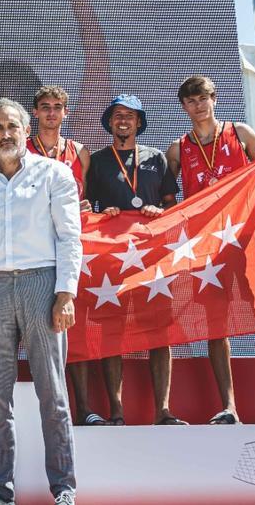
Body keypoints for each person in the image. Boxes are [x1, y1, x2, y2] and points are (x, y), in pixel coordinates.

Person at [0, 98, 79, 505]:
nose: (5, 134)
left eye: (12, 126)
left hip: (41, 286)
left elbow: (69, 239)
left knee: (53, 393)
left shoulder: (54, 174)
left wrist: (66, 294)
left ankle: (64, 488)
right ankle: (1, 488)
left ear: (25, 131)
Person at [165, 75, 255, 425]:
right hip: (208, 247)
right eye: (191, 101)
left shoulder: (241, 133)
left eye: (203, 98)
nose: (198, 106)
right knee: (215, 324)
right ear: (183, 107)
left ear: (215, 98)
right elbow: (168, 200)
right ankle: (229, 407)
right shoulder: (178, 149)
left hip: (249, 239)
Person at [83, 94, 186, 425]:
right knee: (112, 331)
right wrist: (104, 212)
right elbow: (87, 209)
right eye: (117, 116)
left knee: (160, 331)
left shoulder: (157, 158)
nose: (123, 120)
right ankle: (116, 411)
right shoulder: (97, 161)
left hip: (152, 258)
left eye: (129, 115)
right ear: (110, 123)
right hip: (111, 260)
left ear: (139, 122)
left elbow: (174, 206)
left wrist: (161, 210)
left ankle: (163, 411)